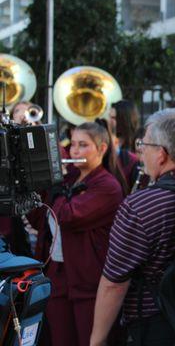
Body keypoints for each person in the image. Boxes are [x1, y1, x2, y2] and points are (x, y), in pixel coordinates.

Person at [90, 108, 175, 346]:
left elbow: (114, 283)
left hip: (156, 325)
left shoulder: (139, 206)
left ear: (162, 155)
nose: (141, 151)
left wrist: (97, 339)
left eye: (145, 144)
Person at [36, 120, 126, 346]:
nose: (75, 151)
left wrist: (55, 193)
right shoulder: (69, 178)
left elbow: (67, 217)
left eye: (83, 145)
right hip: (59, 274)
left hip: (88, 281)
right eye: (73, 144)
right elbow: (40, 218)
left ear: (102, 148)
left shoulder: (108, 186)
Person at [109, 100, 141, 190]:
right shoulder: (109, 140)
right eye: (109, 117)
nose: (109, 120)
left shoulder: (138, 141)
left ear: (124, 119)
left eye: (113, 118)